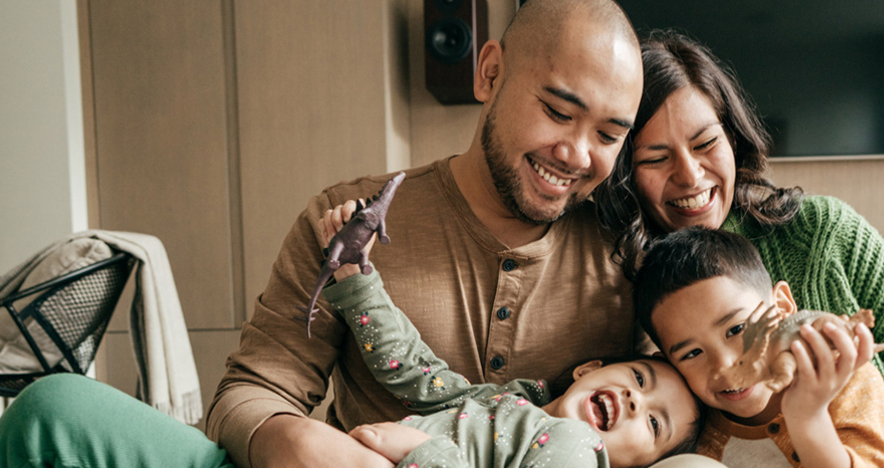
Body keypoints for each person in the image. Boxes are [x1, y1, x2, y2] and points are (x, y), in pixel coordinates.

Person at [206, 1, 646, 467]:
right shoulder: (347, 220)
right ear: (490, 73)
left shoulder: (627, 261)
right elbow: (252, 390)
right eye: (558, 112)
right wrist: (297, 443)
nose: (577, 155)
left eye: (608, 136)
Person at [592, 30, 884, 468]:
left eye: (706, 143)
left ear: (733, 140)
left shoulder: (821, 232)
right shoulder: (611, 271)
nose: (690, 176)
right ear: (624, 171)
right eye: (655, 158)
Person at [311, 201, 702, 468]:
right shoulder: (512, 405)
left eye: (654, 424)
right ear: (588, 369)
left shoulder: (579, 450)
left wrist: (423, 452)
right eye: (638, 378)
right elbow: (416, 374)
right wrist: (357, 281)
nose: (636, 400)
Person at [635, 227, 884, 468]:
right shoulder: (695, 439)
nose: (724, 364)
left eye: (737, 329)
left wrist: (808, 418)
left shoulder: (847, 380)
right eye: (692, 353)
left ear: (781, 307)